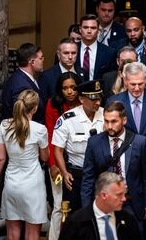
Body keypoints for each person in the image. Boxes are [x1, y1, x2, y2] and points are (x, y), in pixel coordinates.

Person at [81, 101, 146, 232]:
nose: (109, 126)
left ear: (124, 120)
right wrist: (86, 209)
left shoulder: (139, 142)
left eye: (114, 121)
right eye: (106, 121)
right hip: (104, 203)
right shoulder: (94, 143)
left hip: (132, 202)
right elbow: (88, 179)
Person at [0, 90, 49, 240]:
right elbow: (45, 157)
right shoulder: (39, 129)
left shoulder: (4, 125)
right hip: (33, 185)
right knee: (32, 233)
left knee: (12, 233)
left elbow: (0, 158)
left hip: (12, 183)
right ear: (35, 108)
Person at [52, 80, 105, 212]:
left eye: (99, 97)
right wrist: (64, 173)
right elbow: (58, 149)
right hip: (77, 177)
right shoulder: (68, 119)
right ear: (81, 99)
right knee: (75, 217)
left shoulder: (106, 115)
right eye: (93, 99)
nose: (97, 102)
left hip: (102, 176)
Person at [107, 62, 146, 181]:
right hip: (126, 159)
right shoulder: (114, 101)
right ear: (125, 81)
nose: (137, 88)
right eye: (133, 84)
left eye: (141, 84)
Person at [44, 71, 81, 240]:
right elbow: (50, 136)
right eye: (65, 88)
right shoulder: (53, 104)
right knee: (59, 205)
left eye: (73, 87)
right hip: (58, 160)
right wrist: (52, 165)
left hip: (78, 162)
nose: (70, 92)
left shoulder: (85, 102)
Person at [59, 172, 142, 240]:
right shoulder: (77, 222)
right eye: (119, 195)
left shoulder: (128, 220)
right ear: (104, 195)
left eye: (124, 194)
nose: (124, 199)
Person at [1, 42, 46, 124]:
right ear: (32, 62)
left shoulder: (22, 77)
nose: (43, 60)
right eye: (41, 58)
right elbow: (23, 119)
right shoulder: (21, 85)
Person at [38, 38, 88, 102]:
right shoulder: (46, 76)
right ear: (58, 55)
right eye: (66, 53)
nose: (70, 57)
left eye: (73, 53)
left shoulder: (83, 72)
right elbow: (43, 102)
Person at [75, 14, 117, 80]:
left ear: (98, 30)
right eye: (85, 27)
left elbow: (111, 79)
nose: (89, 31)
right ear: (80, 29)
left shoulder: (109, 53)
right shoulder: (71, 50)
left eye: (93, 28)